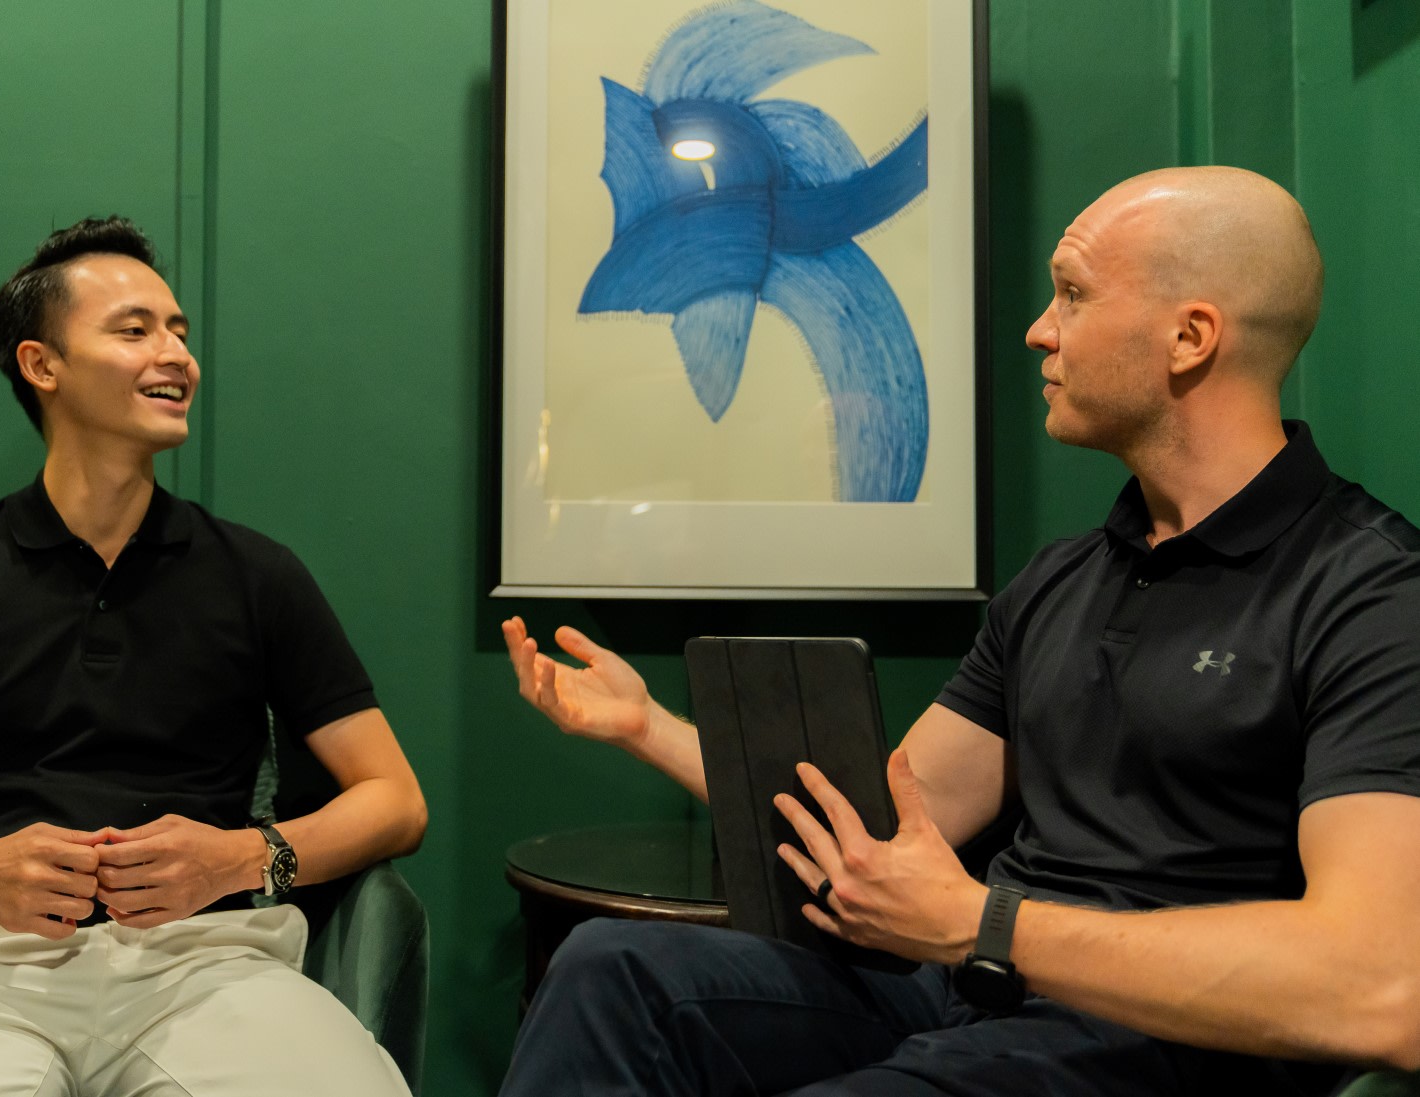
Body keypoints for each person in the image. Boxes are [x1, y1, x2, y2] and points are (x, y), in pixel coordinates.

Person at [498, 166, 1420, 1096]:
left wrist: (985, 922)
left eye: (1072, 292)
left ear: (1190, 337)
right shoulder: (1062, 578)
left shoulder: (1370, 591)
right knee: (610, 969)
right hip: (985, 996)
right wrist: (648, 724)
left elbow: (1382, 985)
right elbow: (880, 823)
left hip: (1167, 1045)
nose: (1040, 330)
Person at [0, 217, 427, 1095]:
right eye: (135, 330)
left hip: (209, 964)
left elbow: (395, 800)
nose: (176, 355)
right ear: (43, 364)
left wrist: (239, 856)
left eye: (179, 331)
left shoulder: (257, 574)